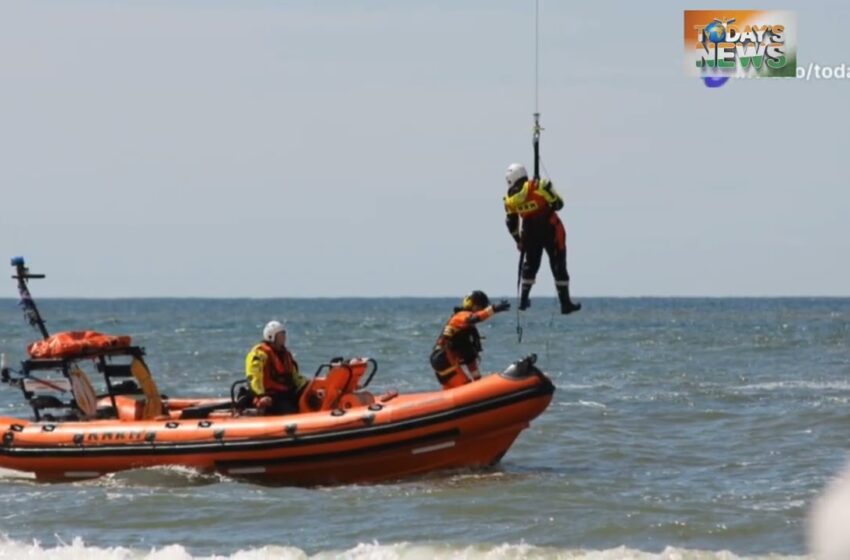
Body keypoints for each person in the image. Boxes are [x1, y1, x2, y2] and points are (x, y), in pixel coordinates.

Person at [503, 163, 581, 314]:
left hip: (530, 234)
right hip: (550, 229)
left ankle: (524, 301)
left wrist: (518, 240)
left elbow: (511, 223)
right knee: (559, 266)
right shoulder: (540, 186)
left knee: (530, 265)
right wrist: (546, 191)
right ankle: (565, 304)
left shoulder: (509, 200)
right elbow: (559, 204)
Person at [430, 291, 510, 389]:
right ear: (473, 305)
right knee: (464, 387)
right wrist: (492, 309)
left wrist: (478, 381)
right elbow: (474, 318)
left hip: (444, 361)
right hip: (443, 359)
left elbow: (470, 359)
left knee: (455, 391)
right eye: (481, 307)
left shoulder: (467, 332)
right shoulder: (461, 316)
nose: (482, 309)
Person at [245, 320, 308, 415]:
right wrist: (261, 396)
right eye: (280, 336)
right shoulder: (259, 355)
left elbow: (295, 377)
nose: (284, 338)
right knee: (290, 410)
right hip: (271, 396)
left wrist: (308, 385)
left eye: (284, 335)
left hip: (285, 393)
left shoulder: (285, 355)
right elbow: (254, 378)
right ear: (271, 337)